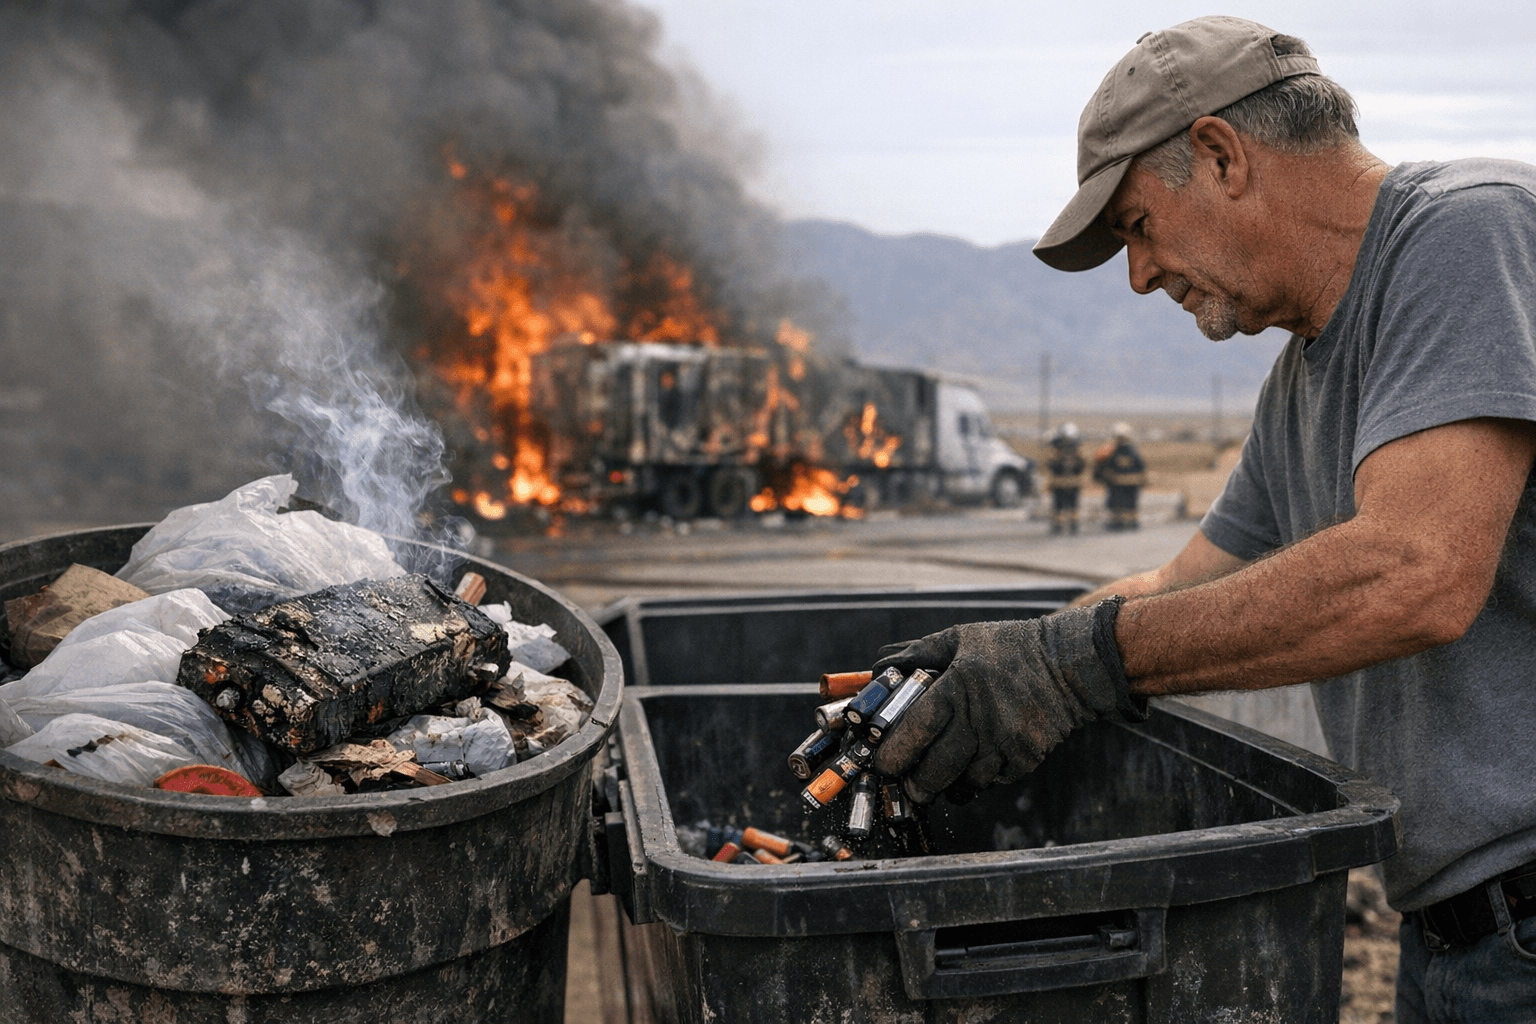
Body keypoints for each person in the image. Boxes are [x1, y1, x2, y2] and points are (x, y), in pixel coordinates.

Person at [869, 17, 1536, 1022]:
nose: (1138, 276)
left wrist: (1076, 667)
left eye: (1138, 226)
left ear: (1222, 156)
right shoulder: (1299, 381)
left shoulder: (1468, 232)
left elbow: (1416, 571)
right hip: (1452, 936)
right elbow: (1186, 585)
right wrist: (999, 660)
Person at [1092, 422, 1147, 530]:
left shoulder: (1113, 452)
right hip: (1132, 483)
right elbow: (1141, 466)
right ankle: (1132, 522)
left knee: (1117, 503)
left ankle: (1118, 522)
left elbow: (1106, 466)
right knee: (1130, 502)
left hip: (1117, 483)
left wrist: (1101, 475)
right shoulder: (1133, 452)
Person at [1045, 422, 1088, 534]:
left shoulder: (1057, 451)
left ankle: (1060, 526)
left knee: (1061, 506)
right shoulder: (1076, 453)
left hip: (1062, 484)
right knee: (1070, 505)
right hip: (1070, 484)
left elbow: (1050, 465)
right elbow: (1083, 465)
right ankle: (1072, 526)